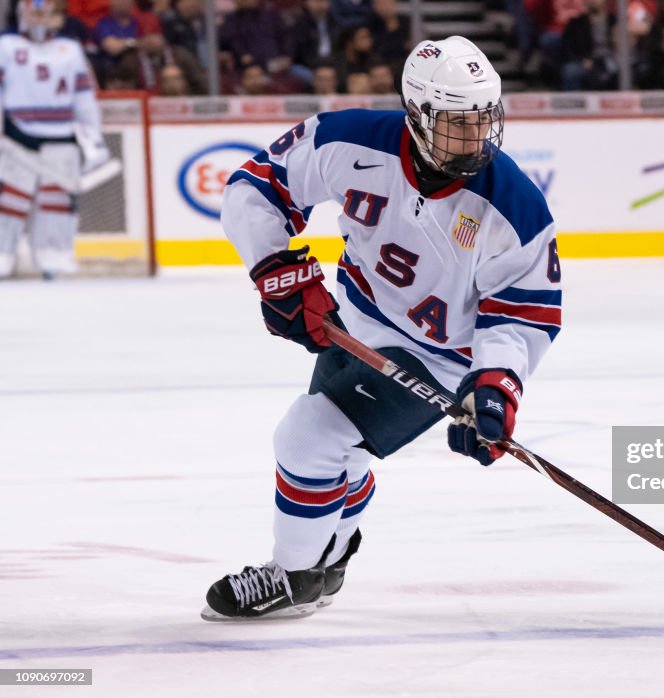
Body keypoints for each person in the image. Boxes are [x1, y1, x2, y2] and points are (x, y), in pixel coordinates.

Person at [202, 35, 562, 621]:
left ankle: (294, 578)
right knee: (339, 459)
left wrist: (495, 384)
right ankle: (334, 549)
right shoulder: (348, 140)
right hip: (356, 321)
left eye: (483, 120)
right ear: (418, 115)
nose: (475, 137)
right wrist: (278, 271)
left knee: (308, 438)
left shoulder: (513, 205)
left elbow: (524, 311)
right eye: (456, 122)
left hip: (441, 357)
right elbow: (256, 188)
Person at [0, 0, 109, 279]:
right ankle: (2, 254)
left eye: (44, 9)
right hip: (17, 133)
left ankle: (53, 256)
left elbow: (84, 97)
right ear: (21, 12)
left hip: (62, 133)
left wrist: (93, 136)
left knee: (57, 200)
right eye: (32, 8)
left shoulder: (70, 49)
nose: (39, 15)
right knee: (10, 200)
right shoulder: (6, 45)